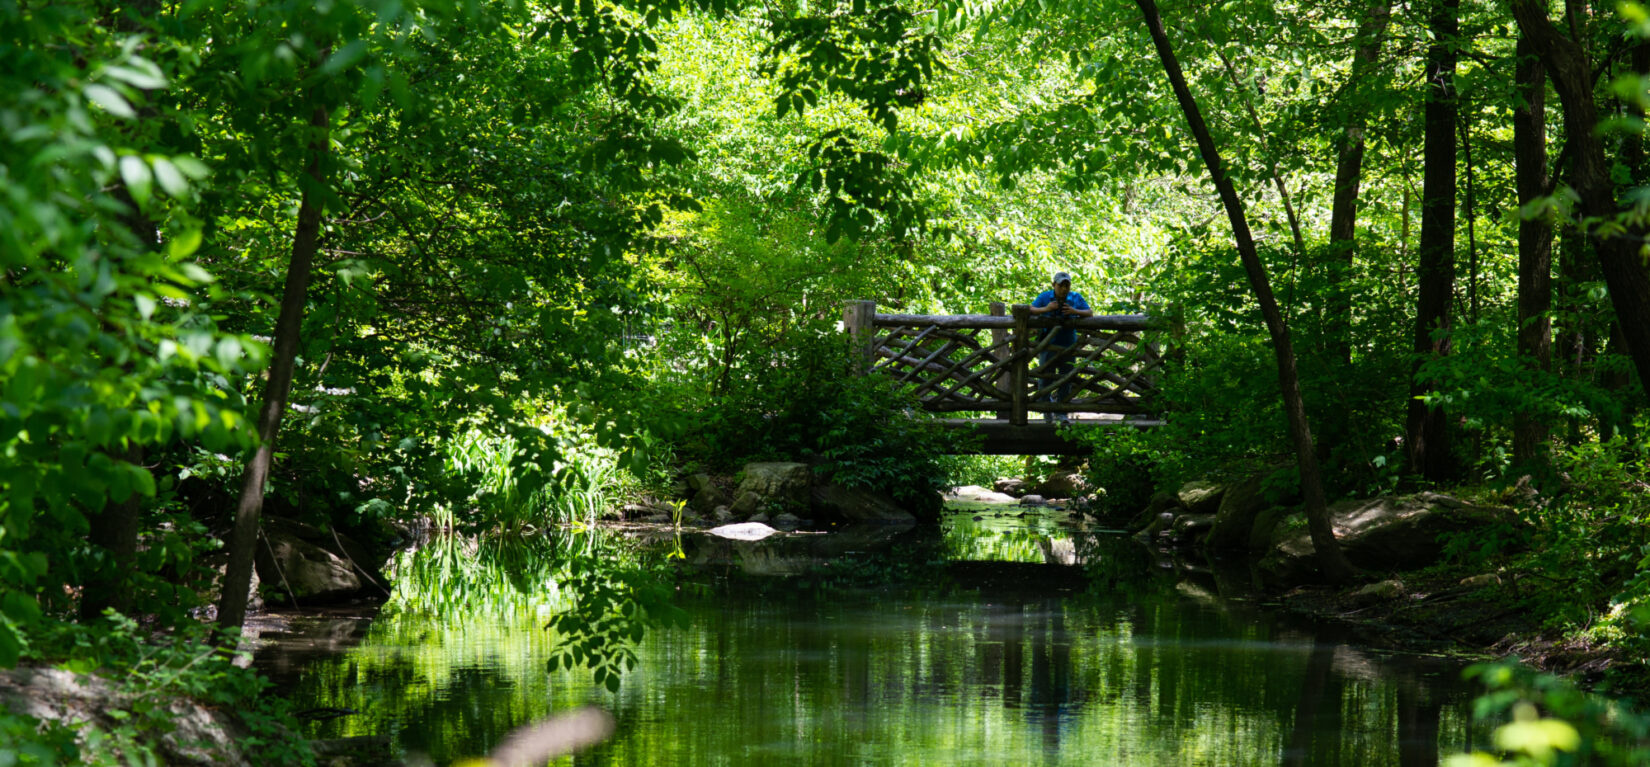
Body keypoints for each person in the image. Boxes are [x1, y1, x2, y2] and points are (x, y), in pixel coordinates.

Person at [1028, 270, 1093, 421]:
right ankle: (1047, 411)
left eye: (1067, 286)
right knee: (1044, 378)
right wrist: (1047, 309)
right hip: (1048, 345)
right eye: (1061, 285)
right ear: (1054, 285)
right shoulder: (1045, 297)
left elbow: (1089, 313)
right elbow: (1030, 309)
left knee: (1066, 379)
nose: (1064, 289)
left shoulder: (1075, 297)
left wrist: (1073, 311)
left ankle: (1061, 413)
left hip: (1068, 345)